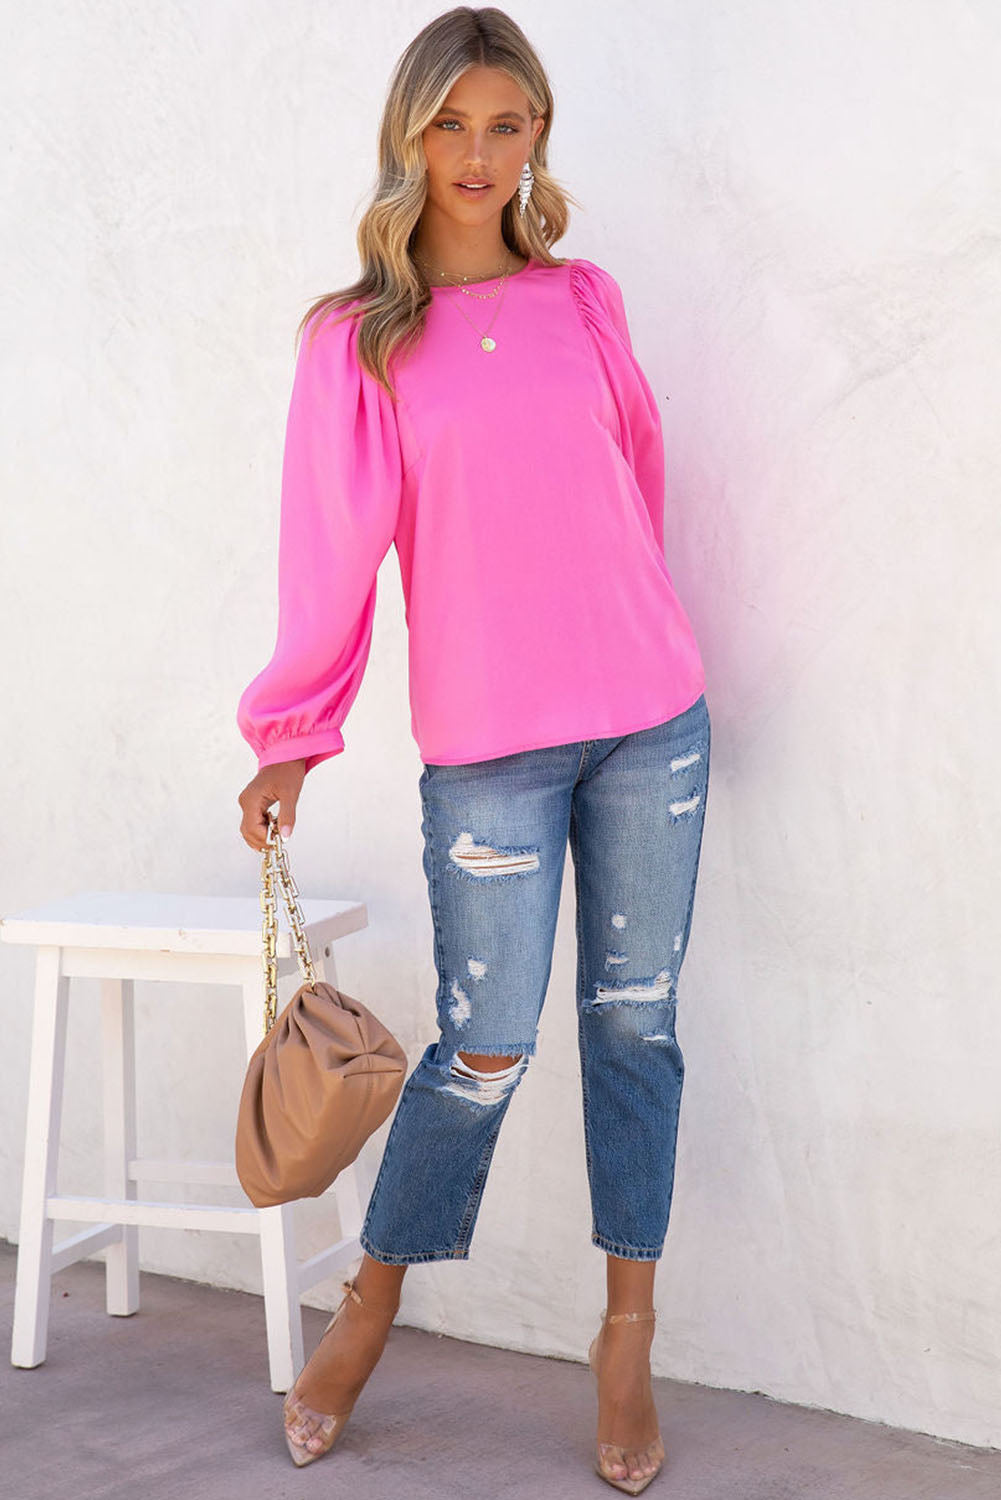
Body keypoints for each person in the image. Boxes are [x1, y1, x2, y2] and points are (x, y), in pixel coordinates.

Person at [236, 7, 709, 1493]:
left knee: (635, 1029)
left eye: (507, 125)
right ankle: (369, 1310)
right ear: (408, 135)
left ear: (537, 139)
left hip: (651, 722)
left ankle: (624, 1335)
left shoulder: (585, 300)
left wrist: (619, 622)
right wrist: (292, 737)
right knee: (483, 1045)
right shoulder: (360, 340)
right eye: (451, 124)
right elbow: (331, 555)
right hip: (492, 748)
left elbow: (633, 483)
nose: (479, 154)